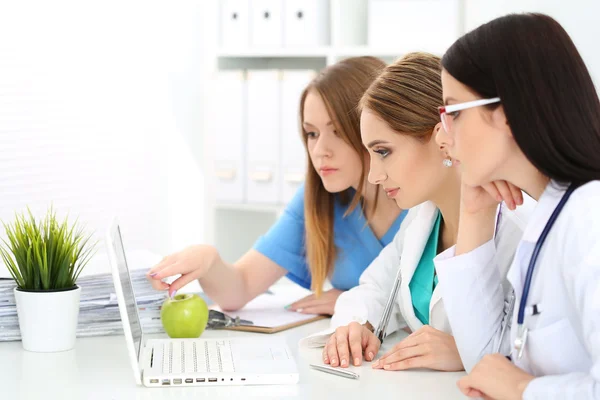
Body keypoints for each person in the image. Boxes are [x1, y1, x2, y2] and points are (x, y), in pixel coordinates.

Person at [147, 57, 407, 315]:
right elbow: (240, 287)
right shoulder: (318, 197)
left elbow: (438, 311)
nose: (319, 151)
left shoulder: (421, 200)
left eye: (337, 131)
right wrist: (208, 261)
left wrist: (356, 301)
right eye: (312, 133)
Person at [320, 52, 526, 371]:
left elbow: (541, 352)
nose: (374, 175)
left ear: (441, 138)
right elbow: (373, 287)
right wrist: (355, 325)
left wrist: (467, 356)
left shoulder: (520, 227)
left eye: (383, 151)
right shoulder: (423, 218)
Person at [433, 13, 600, 399]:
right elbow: (488, 363)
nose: (443, 134)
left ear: (507, 111)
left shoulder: (590, 215)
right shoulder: (553, 214)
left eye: (453, 112)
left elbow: (509, 381)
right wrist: (474, 210)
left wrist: (525, 389)